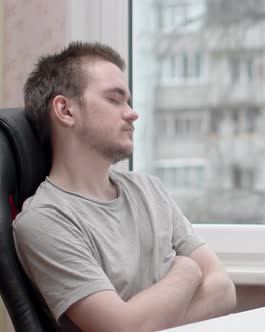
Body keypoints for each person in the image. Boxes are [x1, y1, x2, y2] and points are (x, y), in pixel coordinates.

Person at [12, 41, 236, 331]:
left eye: (128, 101)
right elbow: (122, 328)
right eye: (115, 99)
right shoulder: (45, 220)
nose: (132, 113)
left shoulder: (149, 189)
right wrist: (187, 270)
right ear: (65, 110)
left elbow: (225, 291)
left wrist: (147, 316)